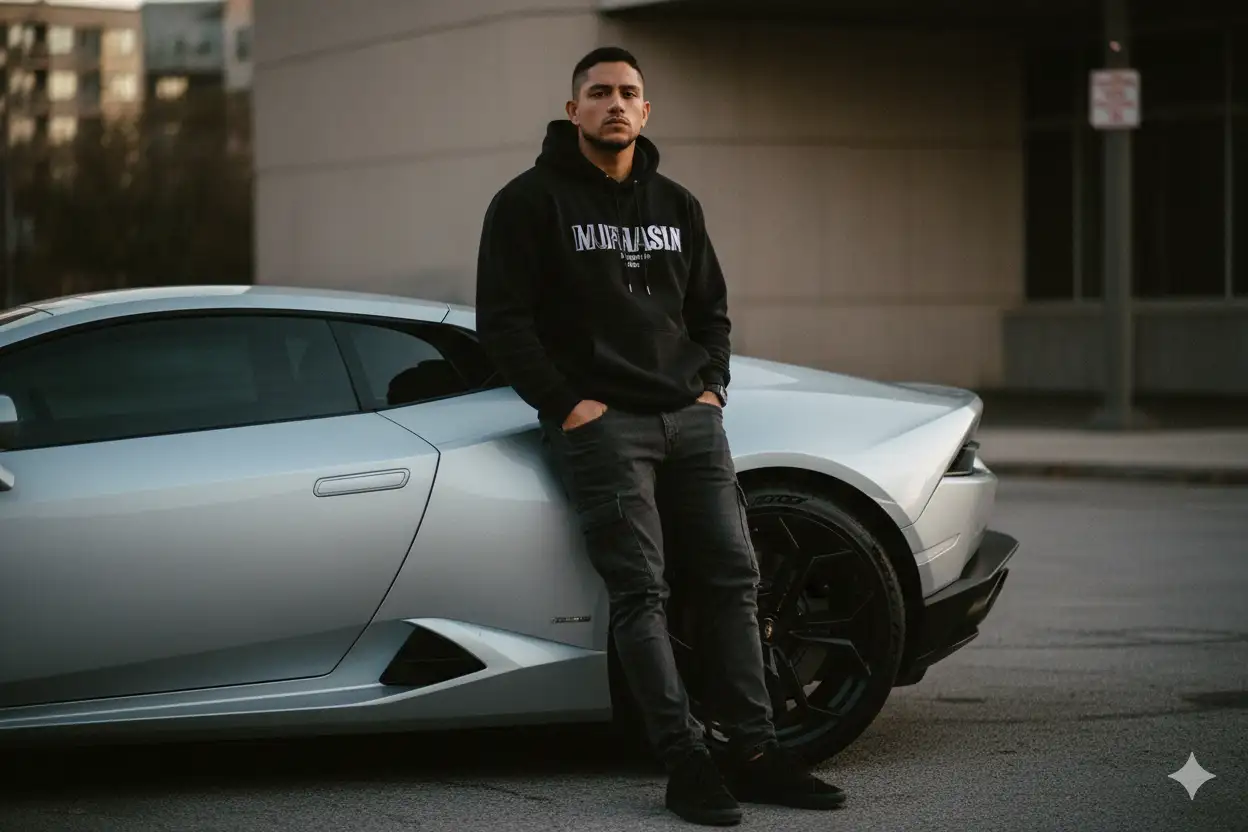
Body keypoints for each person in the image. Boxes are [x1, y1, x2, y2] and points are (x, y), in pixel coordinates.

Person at [474, 46, 846, 825]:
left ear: (647, 112)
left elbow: (710, 311)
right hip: (604, 428)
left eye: (629, 93)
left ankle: (754, 751)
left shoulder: (677, 204)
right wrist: (569, 404)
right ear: (572, 108)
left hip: (691, 422)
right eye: (599, 92)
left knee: (734, 582)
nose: (615, 103)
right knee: (642, 592)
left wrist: (710, 388)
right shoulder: (527, 203)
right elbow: (504, 323)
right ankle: (686, 763)